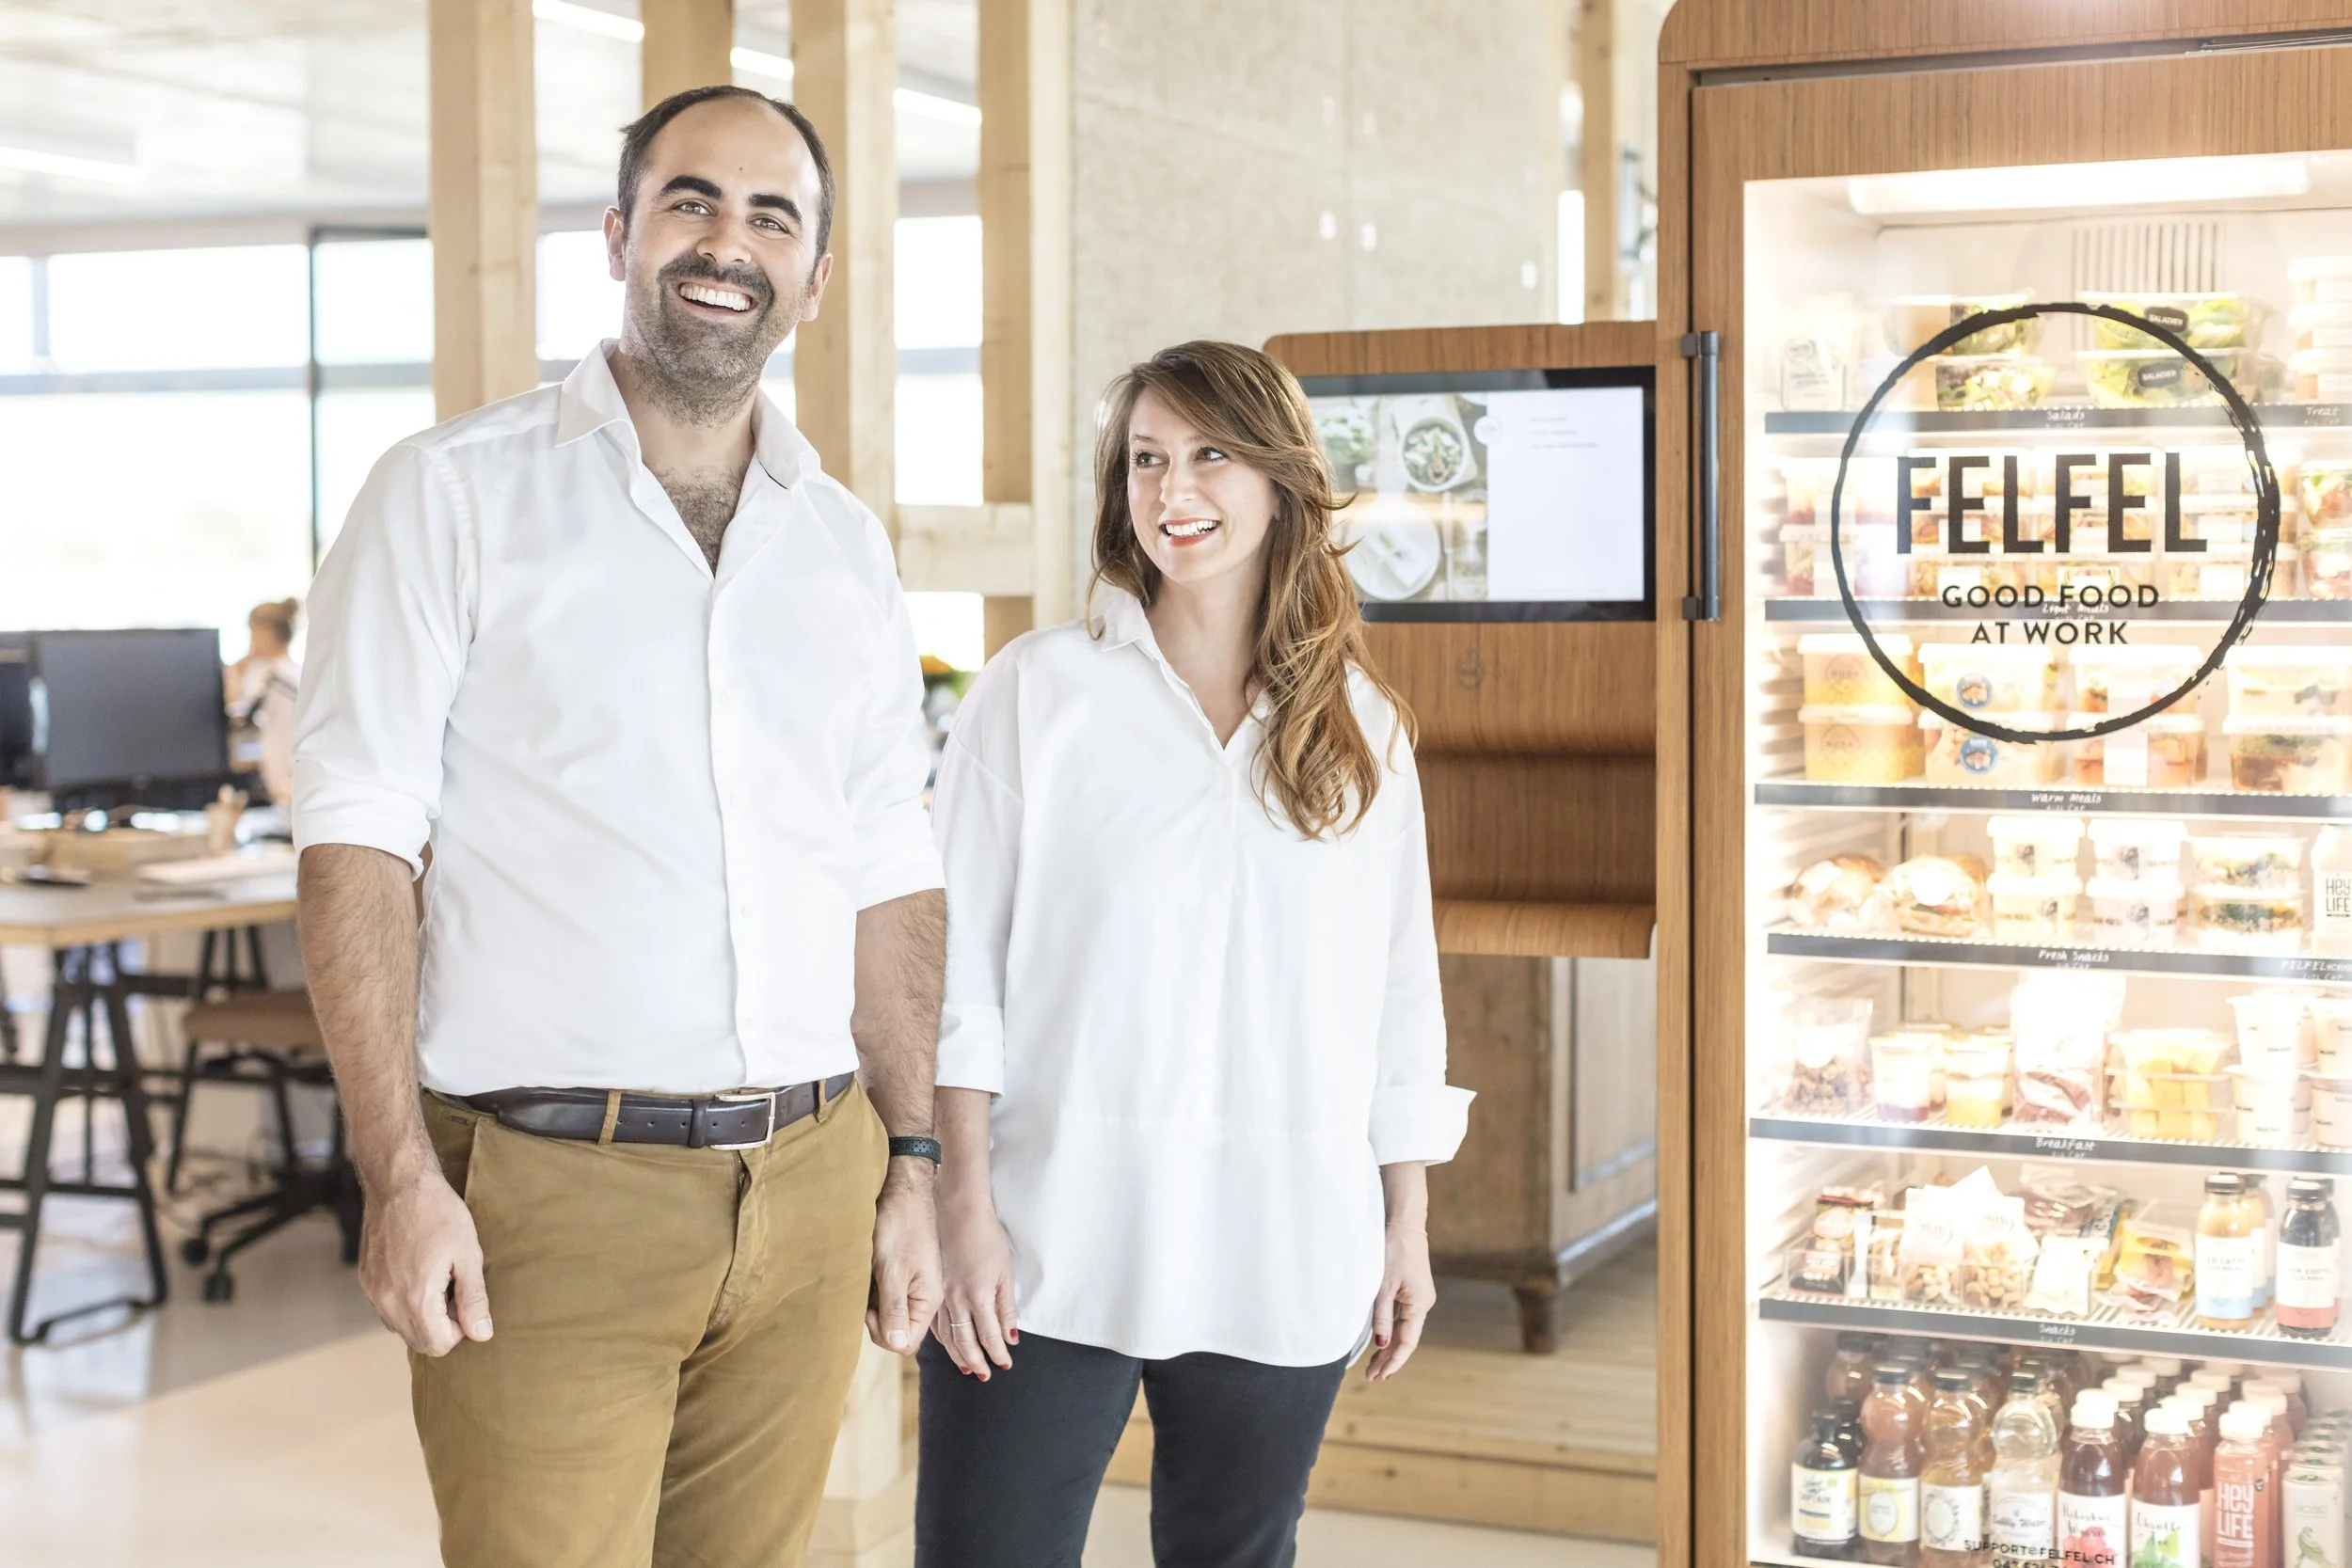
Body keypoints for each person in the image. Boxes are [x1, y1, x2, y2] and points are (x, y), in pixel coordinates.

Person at [292, 85, 946, 1568]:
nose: (730, 242)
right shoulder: (449, 496)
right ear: (619, 236)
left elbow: (889, 869)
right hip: (545, 1196)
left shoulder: (840, 543)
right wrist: (397, 1174)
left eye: (773, 216)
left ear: (816, 279)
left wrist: (912, 1159)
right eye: (692, 201)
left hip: (811, 1180)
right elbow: (357, 848)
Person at [916, 341, 1474, 1567]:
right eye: (1147, 460)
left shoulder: (1363, 729)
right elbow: (954, 973)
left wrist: (1405, 1222)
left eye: (1211, 455)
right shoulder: (1036, 691)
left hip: (1283, 1232)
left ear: (1280, 480)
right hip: (1046, 1230)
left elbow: (1398, 994)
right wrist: (958, 1201)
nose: (1175, 490)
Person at [226, 597, 300, 806]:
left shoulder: (270, 676)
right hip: (288, 764)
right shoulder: (295, 671)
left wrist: (235, 674)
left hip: (284, 765)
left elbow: (237, 715)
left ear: (266, 631)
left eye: (252, 632)